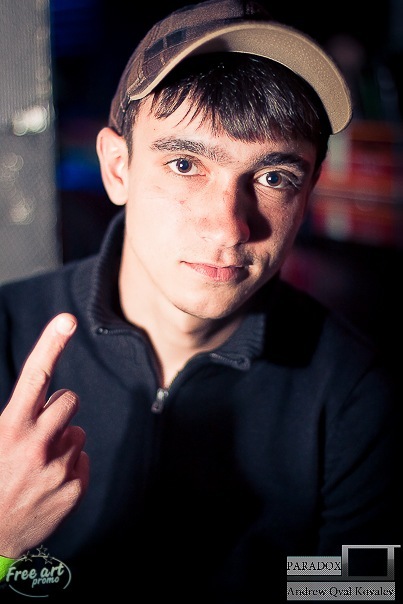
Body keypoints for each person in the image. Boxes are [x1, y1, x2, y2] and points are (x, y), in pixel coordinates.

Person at [0, 0, 400, 601]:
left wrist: (266, 578)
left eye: (273, 178)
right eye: (185, 164)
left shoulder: (353, 390)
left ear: (308, 194)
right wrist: (2, 541)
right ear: (118, 169)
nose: (229, 227)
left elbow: (365, 583)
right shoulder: (6, 336)